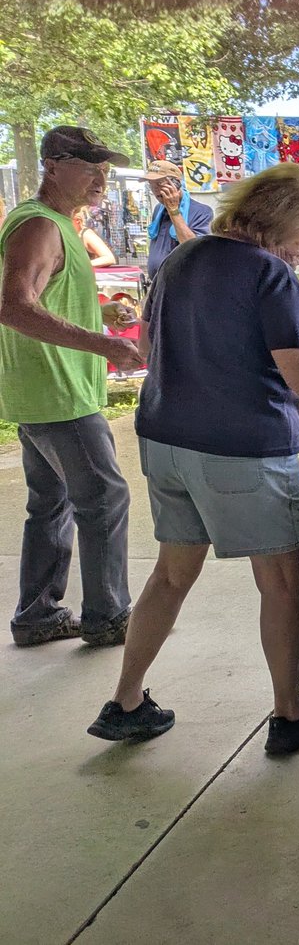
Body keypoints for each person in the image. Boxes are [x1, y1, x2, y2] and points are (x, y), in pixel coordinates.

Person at [87, 163, 299, 755]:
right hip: (244, 451)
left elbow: (146, 346)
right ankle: (290, 715)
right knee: (280, 582)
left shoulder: (179, 261)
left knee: (170, 573)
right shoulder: (268, 274)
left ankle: (126, 701)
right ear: (283, 222)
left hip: (166, 440)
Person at [0, 126, 143, 647]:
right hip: (59, 395)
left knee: (52, 502)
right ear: (52, 166)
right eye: (89, 167)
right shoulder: (39, 225)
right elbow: (14, 306)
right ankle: (109, 616)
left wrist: (100, 312)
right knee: (104, 498)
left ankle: (37, 616)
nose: (101, 178)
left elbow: (43, 299)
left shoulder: (58, 223)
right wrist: (103, 345)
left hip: (42, 393)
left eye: (104, 168)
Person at [142, 159, 212, 279]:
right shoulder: (159, 209)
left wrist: (173, 211)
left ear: (177, 184)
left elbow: (194, 249)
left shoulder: (202, 212)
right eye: (151, 185)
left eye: (159, 184)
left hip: (182, 286)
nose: (155, 191)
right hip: (157, 284)